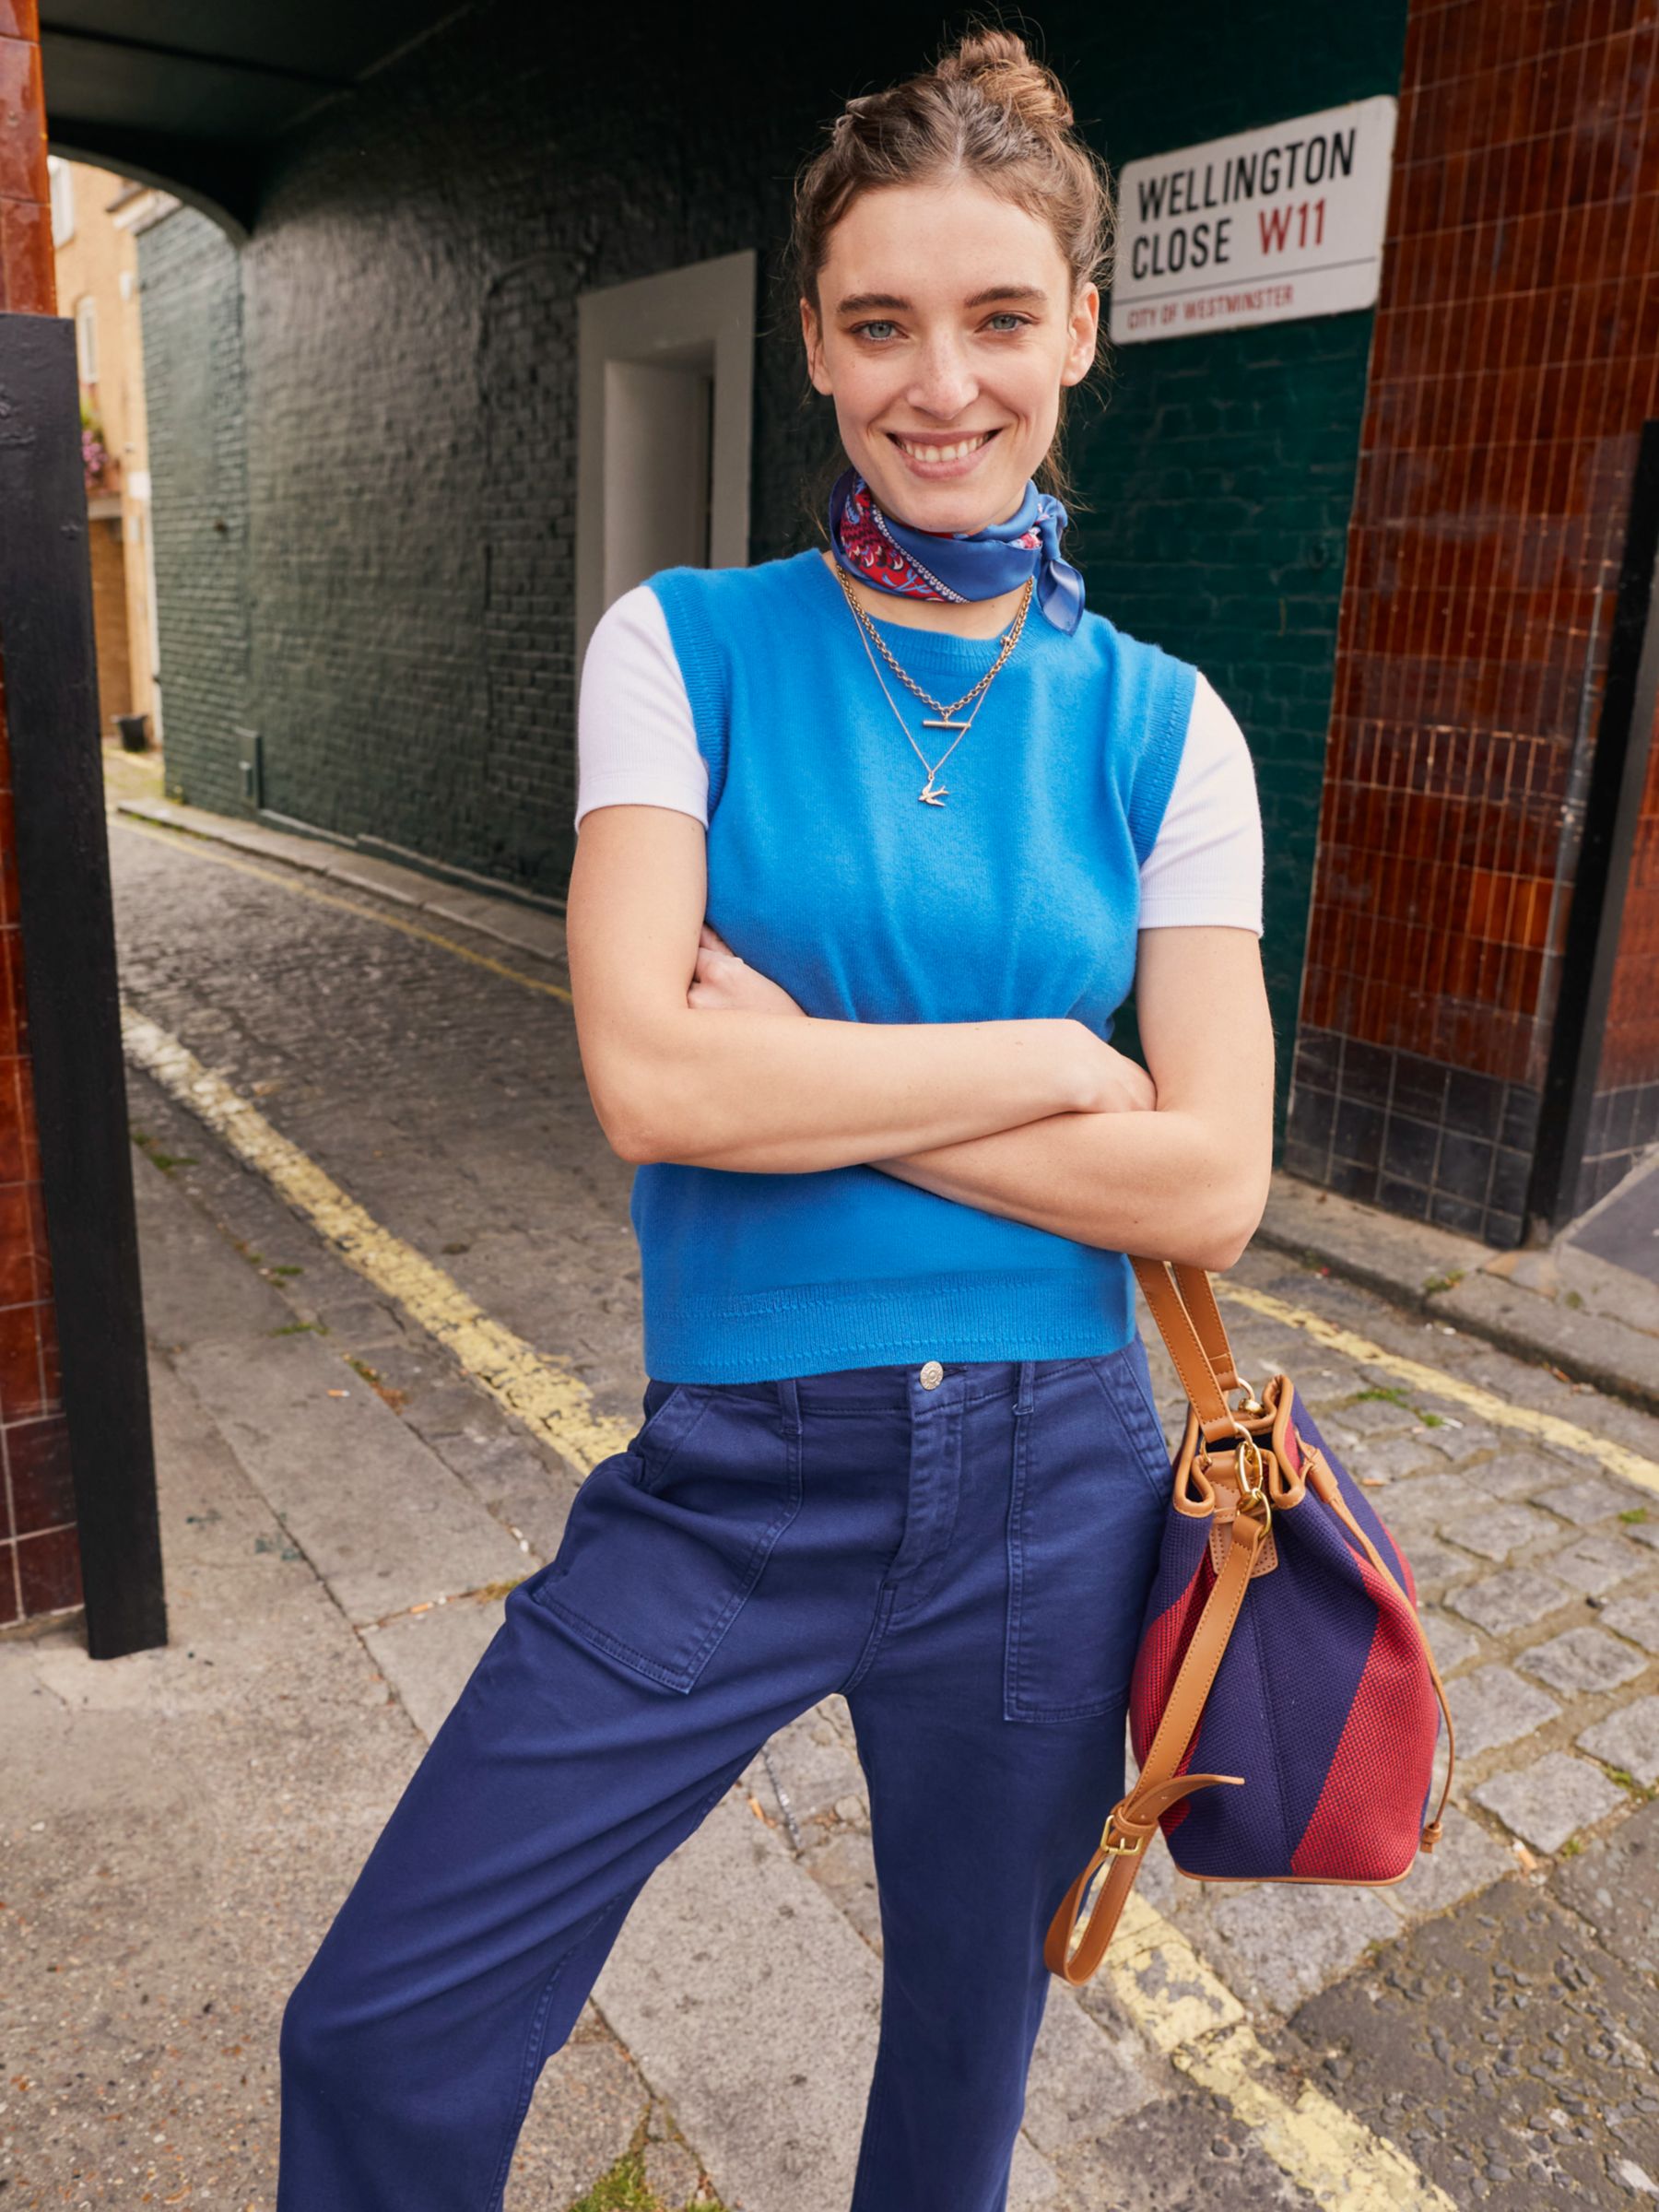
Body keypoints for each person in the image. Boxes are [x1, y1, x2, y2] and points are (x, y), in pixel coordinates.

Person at [276, 25, 1274, 2212]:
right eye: (883, 323)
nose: (946, 385)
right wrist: (1044, 1058)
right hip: (737, 1478)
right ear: (810, 342)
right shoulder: (684, 648)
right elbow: (648, 1076)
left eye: (1002, 318)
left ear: (1080, 331)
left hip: (1056, 1491)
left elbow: (1211, 1177)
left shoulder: (1171, 732)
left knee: (960, 2082)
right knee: (381, 2024)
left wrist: (794, 1076)